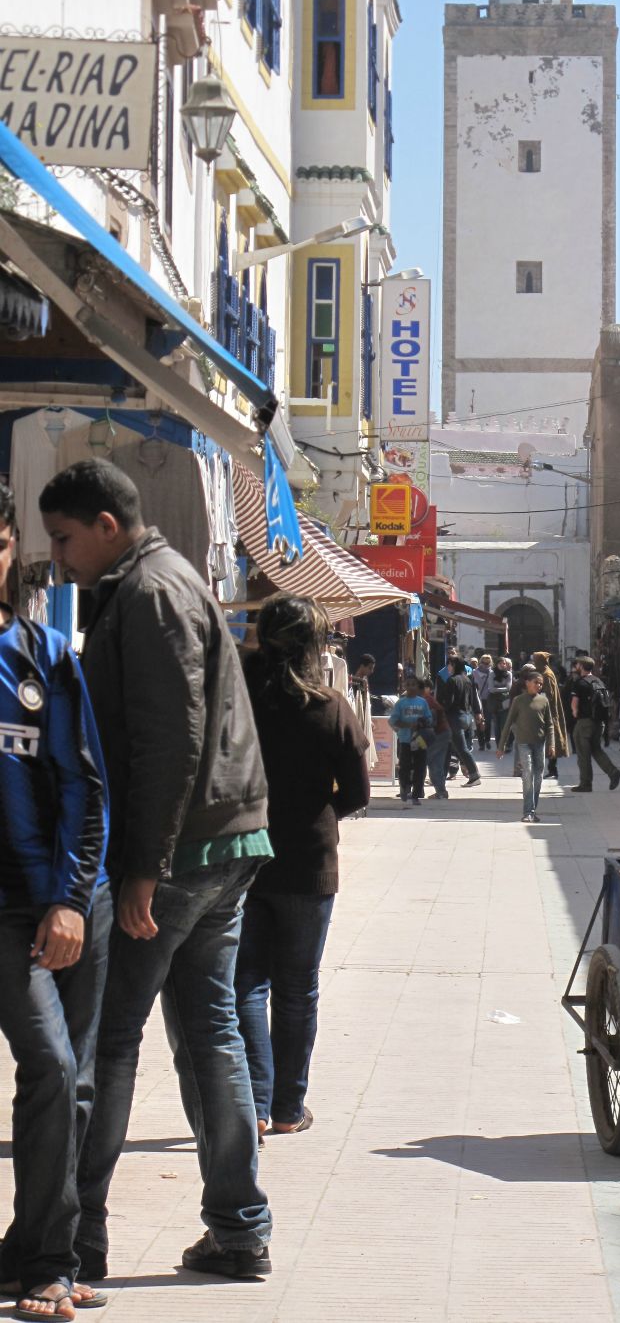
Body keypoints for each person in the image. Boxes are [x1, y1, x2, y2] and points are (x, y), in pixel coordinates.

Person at [40, 459, 273, 1281]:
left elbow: (168, 739)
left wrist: (143, 867)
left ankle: (80, 1237)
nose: (60, 560)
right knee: (211, 1035)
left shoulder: (150, 595)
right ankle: (238, 1229)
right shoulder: (165, 585)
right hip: (224, 843)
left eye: (65, 540)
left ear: (107, 525)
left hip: (179, 857)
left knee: (108, 1043)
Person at [0, 482, 112, 1322]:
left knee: (61, 1073)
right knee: (54, 1069)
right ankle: (38, 1252)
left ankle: (42, 1257)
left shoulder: (41, 655)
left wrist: (71, 900)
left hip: (47, 906)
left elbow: (82, 785)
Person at [236, 595, 369, 1144]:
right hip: (309, 865)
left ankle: (255, 1107)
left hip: (242, 859)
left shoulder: (238, 699)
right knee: (297, 989)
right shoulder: (331, 706)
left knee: (245, 987)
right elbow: (358, 793)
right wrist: (317, 817)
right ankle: (289, 1106)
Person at [497, 669, 556, 822]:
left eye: (541, 684)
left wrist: (552, 744)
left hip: (540, 743)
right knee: (528, 774)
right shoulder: (518, 700)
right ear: (527, 683)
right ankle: (527, 812)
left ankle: (533, 809)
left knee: (538, 776)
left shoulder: (544, 700)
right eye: (536, 682)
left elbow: (550, 724)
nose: (539, 686)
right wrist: (501, 746)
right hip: (523, 743)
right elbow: (508, 723)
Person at [569, 657, 620, 794]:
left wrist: (574, 712)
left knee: (583, 754)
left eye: (578, 664)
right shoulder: (599, 681)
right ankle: (613, 772)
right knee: (596, 749)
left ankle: (586, 783)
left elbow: (575, 702)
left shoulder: (580, 683)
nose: (576, 666)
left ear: (581, 666)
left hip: (585, 722)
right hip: (599, 723)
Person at [436, 658, 482, 787]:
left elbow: (449, 701)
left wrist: (441, 712)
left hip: (454, 718)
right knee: (452, 747)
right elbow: (473, 698)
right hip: (466, 716)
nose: (448, 669)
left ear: (454, 665)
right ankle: (442, 776)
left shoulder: (452, 680)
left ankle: (474, 774)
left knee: (461, 748)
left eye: (449, 666)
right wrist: (476, 713)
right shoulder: (467, 679)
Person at [388, 675, 431, 806]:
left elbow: (429, 718)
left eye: (414, 684)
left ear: (418, 687)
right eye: (408, 684)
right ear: (404, 686)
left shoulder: (422, 702)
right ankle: (404, 786)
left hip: (420, 740)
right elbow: (392, 720)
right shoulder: (401, 703)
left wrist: (422, 723)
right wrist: (406, 725)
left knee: (420, 767)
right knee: (405, 766)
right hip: (405, 739)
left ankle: (416, 794)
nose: (411, 687)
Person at [531, 651, 569, 780]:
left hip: (548, 712)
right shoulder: (544, 672)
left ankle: (552, 769)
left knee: (551, 740)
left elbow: (549, 694)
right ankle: (550, 769)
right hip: (546, 711)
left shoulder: (546, 674)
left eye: (535, 660)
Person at [420, 679, 451, 799]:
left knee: (424, 761)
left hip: (436, 734)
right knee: (435, 763)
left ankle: (418, 790)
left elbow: (430, 722)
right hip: (442, 733)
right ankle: (441, 792)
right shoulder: (426, 699)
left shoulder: (426, 701)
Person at [489, 657, 513, 751]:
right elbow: (491, 688)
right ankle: (499, 745)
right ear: (497, 664)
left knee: (505, 724)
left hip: (505, 702)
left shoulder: (508, 674)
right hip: (494, 702)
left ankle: (505, 744)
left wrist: (496, 689)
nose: (503, 665)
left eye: (504, 663)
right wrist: (502, 689)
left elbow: (509, 688)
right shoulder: (492, 673)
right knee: (496, 725)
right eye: (501, 663)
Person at [472, 654, 495, 749]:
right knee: (479, 720)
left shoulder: (492, 673)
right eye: (484, 662)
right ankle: (481, 743)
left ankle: (487, 740)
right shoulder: (474, 672)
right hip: (477, 699)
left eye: (488, 662)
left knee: (488, 721)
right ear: (480, 662)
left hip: (488, 699)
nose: (486, 664)